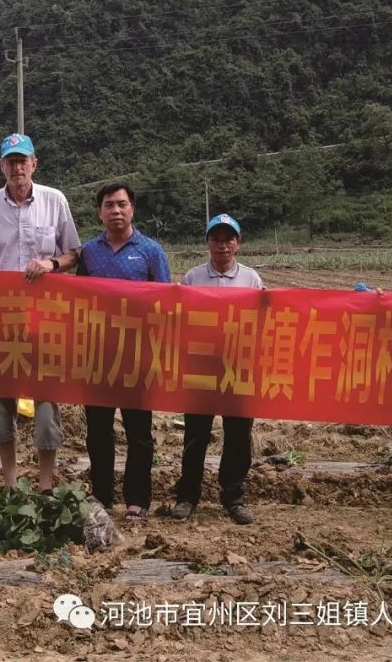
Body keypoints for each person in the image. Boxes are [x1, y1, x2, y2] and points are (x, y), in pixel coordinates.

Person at [0, 133, 81, 493]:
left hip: (46, 318)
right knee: (1, 399)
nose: (17, 167)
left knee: (46, 398)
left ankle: (47, 484)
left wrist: (50, 263)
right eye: (10, 161)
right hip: (2, 319)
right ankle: (11, 483)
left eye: (23, 160)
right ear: (1, 166)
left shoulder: (55, 200)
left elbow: (74, 253)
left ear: (34, 163)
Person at [77, 183, 169, 520]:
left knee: (139, 432)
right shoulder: (89, 252)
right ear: (99, 212)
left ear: (132, 209)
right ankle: (102, 495)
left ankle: (138, 499)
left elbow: (166, 304)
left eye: (122, 204)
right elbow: (78, 300)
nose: (116, 211)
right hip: (99, 355)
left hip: (138, 357)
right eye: (108, 205)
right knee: (98, 431)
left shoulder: (150, 251)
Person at [169, 213, 264, 525]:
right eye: (216, 238)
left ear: (238, 243)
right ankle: (187, 496)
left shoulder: (251, 279)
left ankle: (233, 497)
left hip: (238, 368)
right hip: (201, 367)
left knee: (238, 435)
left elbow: (263, 320)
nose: (222, 244)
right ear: (207, 242)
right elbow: (181, 319)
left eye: (228, 238)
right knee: (196, 435)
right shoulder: (193, 278)